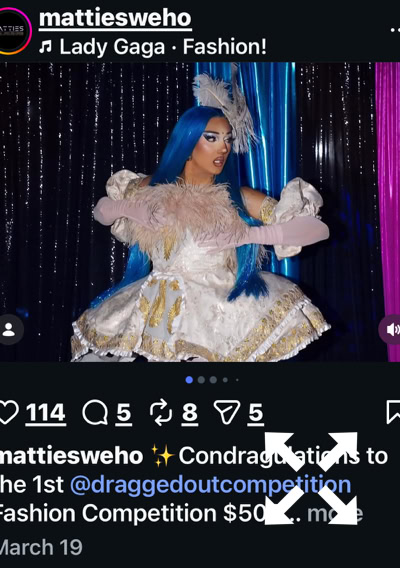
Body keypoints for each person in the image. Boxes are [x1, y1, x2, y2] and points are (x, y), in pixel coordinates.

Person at [71, 72, 330, 362]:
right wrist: (130, 209)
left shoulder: (237, 198)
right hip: (152, 306)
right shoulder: (151, 188)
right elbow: (101, 211)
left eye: (228, 139)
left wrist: (251, 235)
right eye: (212, 138)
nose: (224, 147)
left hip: (214, 313)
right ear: (188, 142)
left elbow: (317, 229)